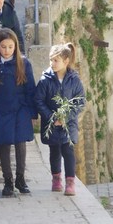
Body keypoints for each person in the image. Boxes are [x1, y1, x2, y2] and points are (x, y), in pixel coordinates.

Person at [0, 29, 37, 197]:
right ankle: (8, 180)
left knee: (20, 144)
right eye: (3, 47)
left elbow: (30, 89)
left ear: (15, 47)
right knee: (3, 145)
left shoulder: (24, 64)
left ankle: (20, 178)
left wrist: (32, 113)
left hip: (20, 110)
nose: (7, 50)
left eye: (10, 47)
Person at [35, 43, 85, 196]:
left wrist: (66, 116)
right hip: (51, 124)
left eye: (56, 60)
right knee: (54, 151)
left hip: (68, 124)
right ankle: (56, 179)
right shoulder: (45, 80)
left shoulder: (74, 80)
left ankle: (70, 182)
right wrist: (51, 117)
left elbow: (80, 101)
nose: (53, 63)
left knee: (68, 152)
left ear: (66, 61)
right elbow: (38, 100)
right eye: (51, 60)